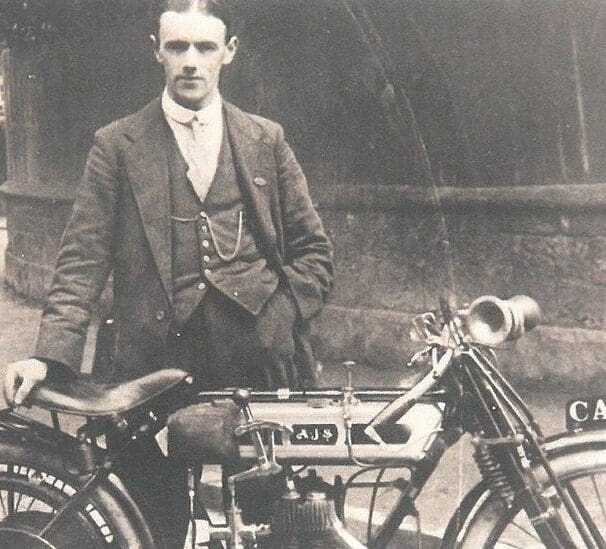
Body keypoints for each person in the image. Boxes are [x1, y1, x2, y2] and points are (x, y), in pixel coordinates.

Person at [2, 0, 333, 545]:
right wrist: (48, 354)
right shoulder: (116, 144)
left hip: (255, 364)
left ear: (228, 53)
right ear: (156, 51)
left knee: (271, 521)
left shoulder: (265, 140)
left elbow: (315, 254)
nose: (190, 61)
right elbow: (82, 258)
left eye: (205, 47)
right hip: (148, 364)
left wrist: (278, 321)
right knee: (149, 519)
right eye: (177, 46)